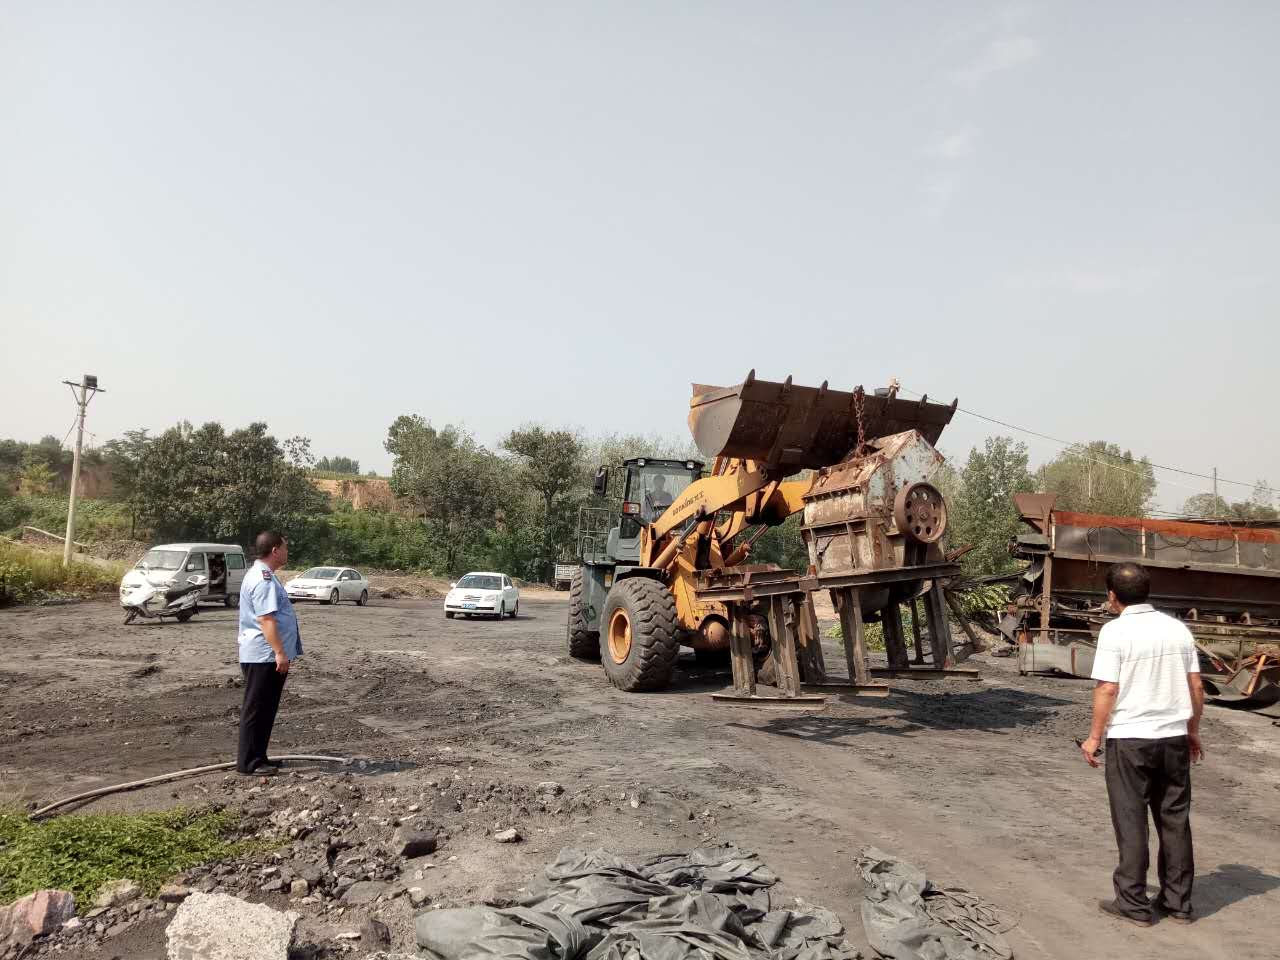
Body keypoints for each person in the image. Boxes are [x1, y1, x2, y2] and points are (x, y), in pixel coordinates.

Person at [1080, 562, 1204, 927]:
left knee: (1131, 818)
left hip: (1131, 738)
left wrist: (1094, 737)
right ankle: (1178, 903)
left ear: (1112, 596)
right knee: (1174, 819)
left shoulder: (1115, 632)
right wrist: (1192, 730)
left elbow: (1107, 688)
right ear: (1147, 591)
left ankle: (1133, 904)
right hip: (1173, 737)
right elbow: (1196, 686)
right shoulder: (1177, 629)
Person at [237, 531, 302, 776]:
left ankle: (259, 756)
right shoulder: (263, 579)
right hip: (263, 655)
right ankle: (249, 763)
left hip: (265, 654)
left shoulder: (266, 576)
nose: (287, 551)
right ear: (275, 550)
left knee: (266, 708)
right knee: (257, 708)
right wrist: (279, 652)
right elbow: (266, 620)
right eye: (285, 547)